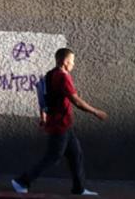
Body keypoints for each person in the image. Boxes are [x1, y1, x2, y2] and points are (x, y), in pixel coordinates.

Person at [11, 48, 108, 196]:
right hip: (59, 125)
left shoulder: (51, 74)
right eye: (72, 61)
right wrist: (95, 112)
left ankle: (79, 189)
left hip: (64, 125)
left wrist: (43, 115)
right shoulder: (63, 77)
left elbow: (42, 96)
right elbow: (76, 100)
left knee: (76, 154)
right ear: (64, 62)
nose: (74, 64)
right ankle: (22, 181)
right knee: (53, 157)